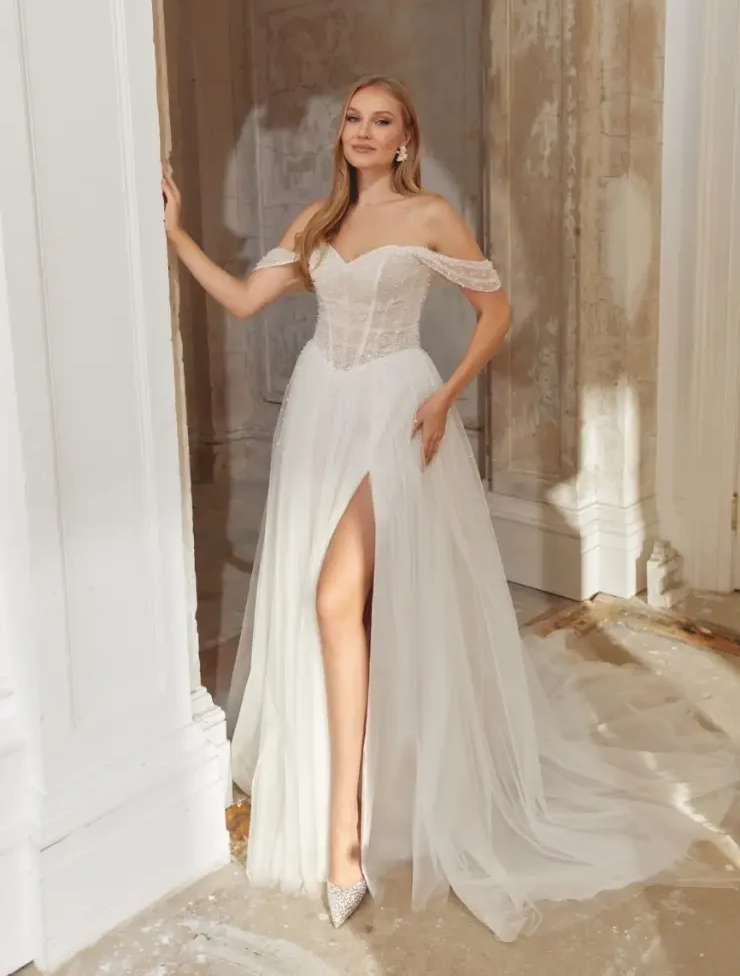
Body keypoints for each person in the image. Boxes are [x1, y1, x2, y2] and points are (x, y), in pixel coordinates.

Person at [162, 75, 740, 939]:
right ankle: (360, 785)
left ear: (405, 139)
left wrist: (446, 400)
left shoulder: (429, 216)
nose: (363, 131)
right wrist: (174, 235)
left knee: (334, 600)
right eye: (352, 119)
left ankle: (346, 837)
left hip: (397, 408)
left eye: (380, 120)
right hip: (322, 409)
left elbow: (495, 311)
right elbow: (247, 300)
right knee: (339, 608)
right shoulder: (317, 224)